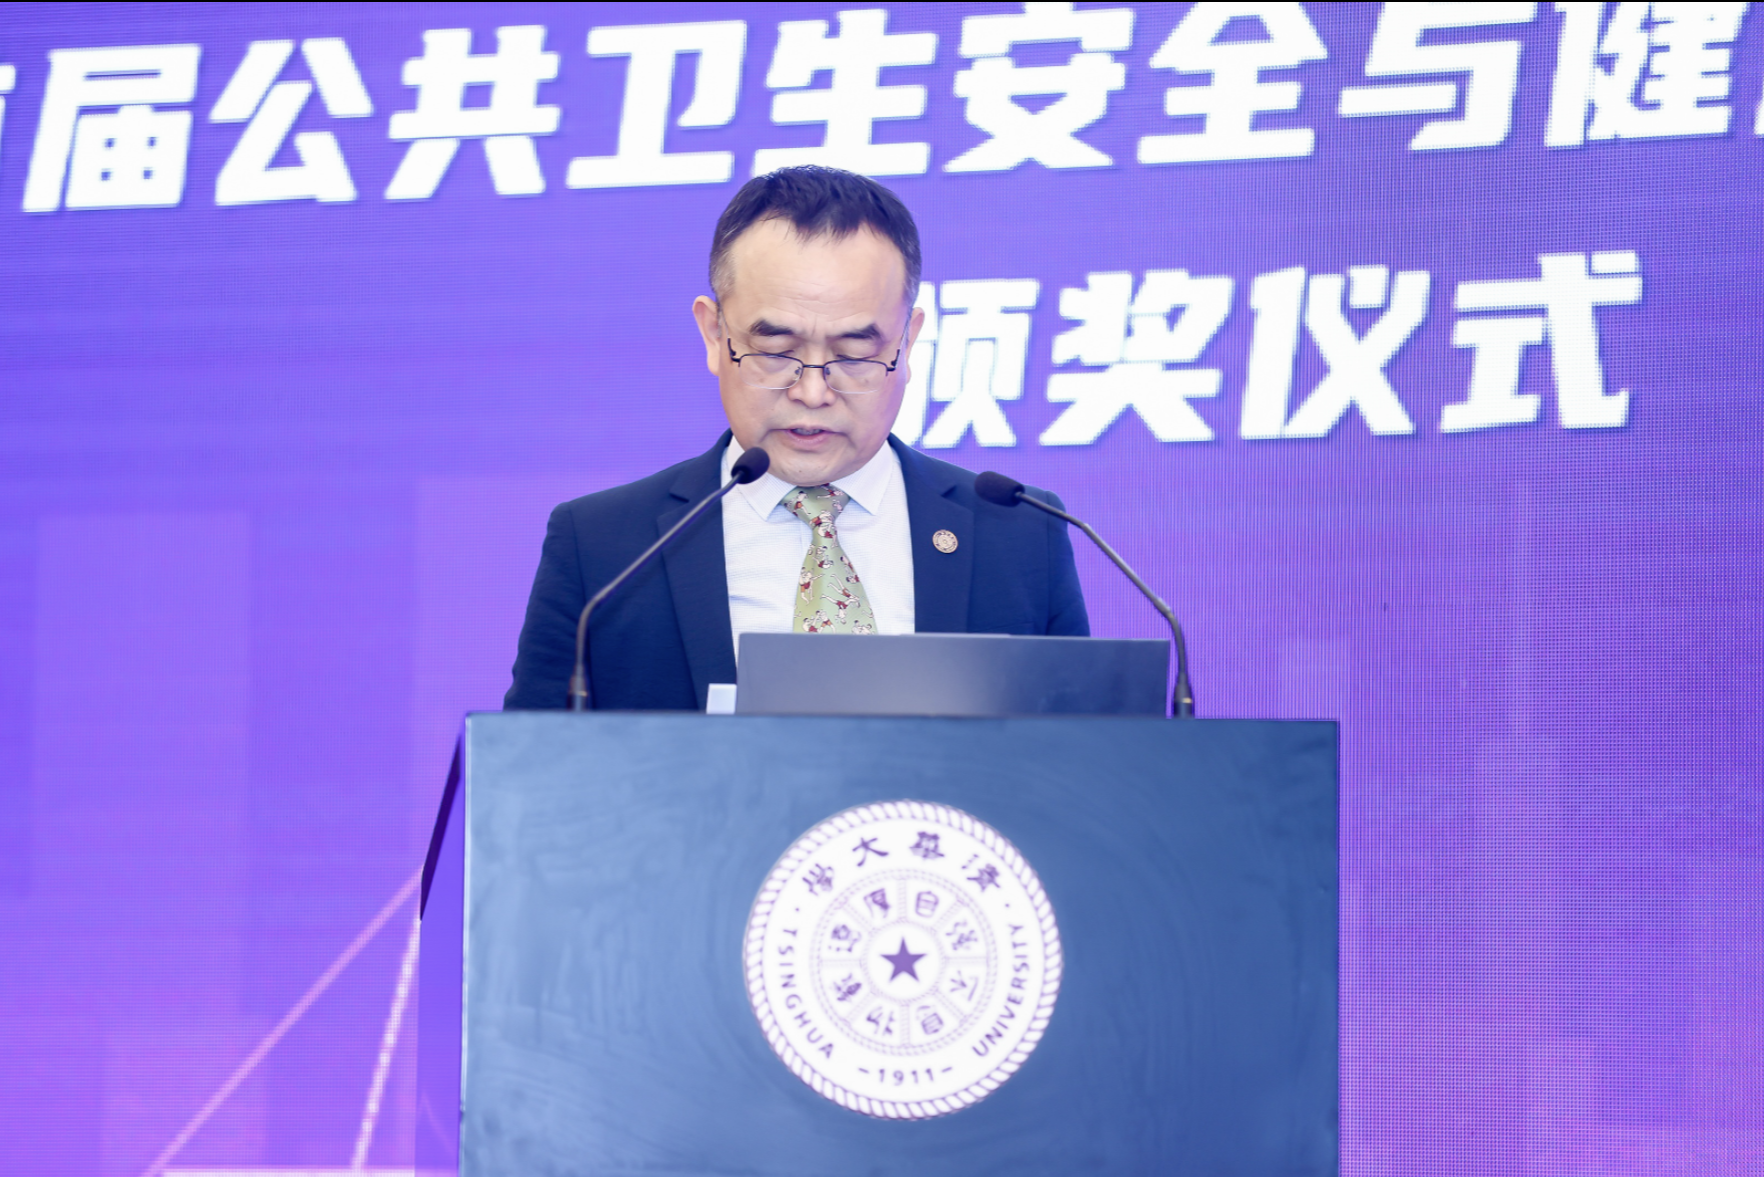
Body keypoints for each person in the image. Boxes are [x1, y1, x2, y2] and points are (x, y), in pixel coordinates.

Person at [505, 165, 1088, 711]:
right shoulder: (604, 547)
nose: (812, 392)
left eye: (854, 355)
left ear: (907, 343)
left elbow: (1080, 762)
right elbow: (530, 769)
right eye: (776, 351)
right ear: (713, 334)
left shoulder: (1018, 535)